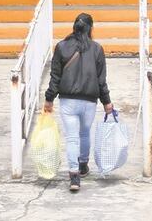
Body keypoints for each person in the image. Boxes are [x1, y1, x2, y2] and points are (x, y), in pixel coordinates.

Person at [43, 13, 113, 193]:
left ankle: (74, 176)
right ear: (91, 28)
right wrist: (107, 102)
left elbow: (55, 77)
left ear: (74, 27)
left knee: (72, 137)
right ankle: (83, 166)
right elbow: (101, 80)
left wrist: (49, 98)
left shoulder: (61, 47)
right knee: (84, 134)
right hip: (89, 101)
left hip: (68, 100)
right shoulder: (97, 49)